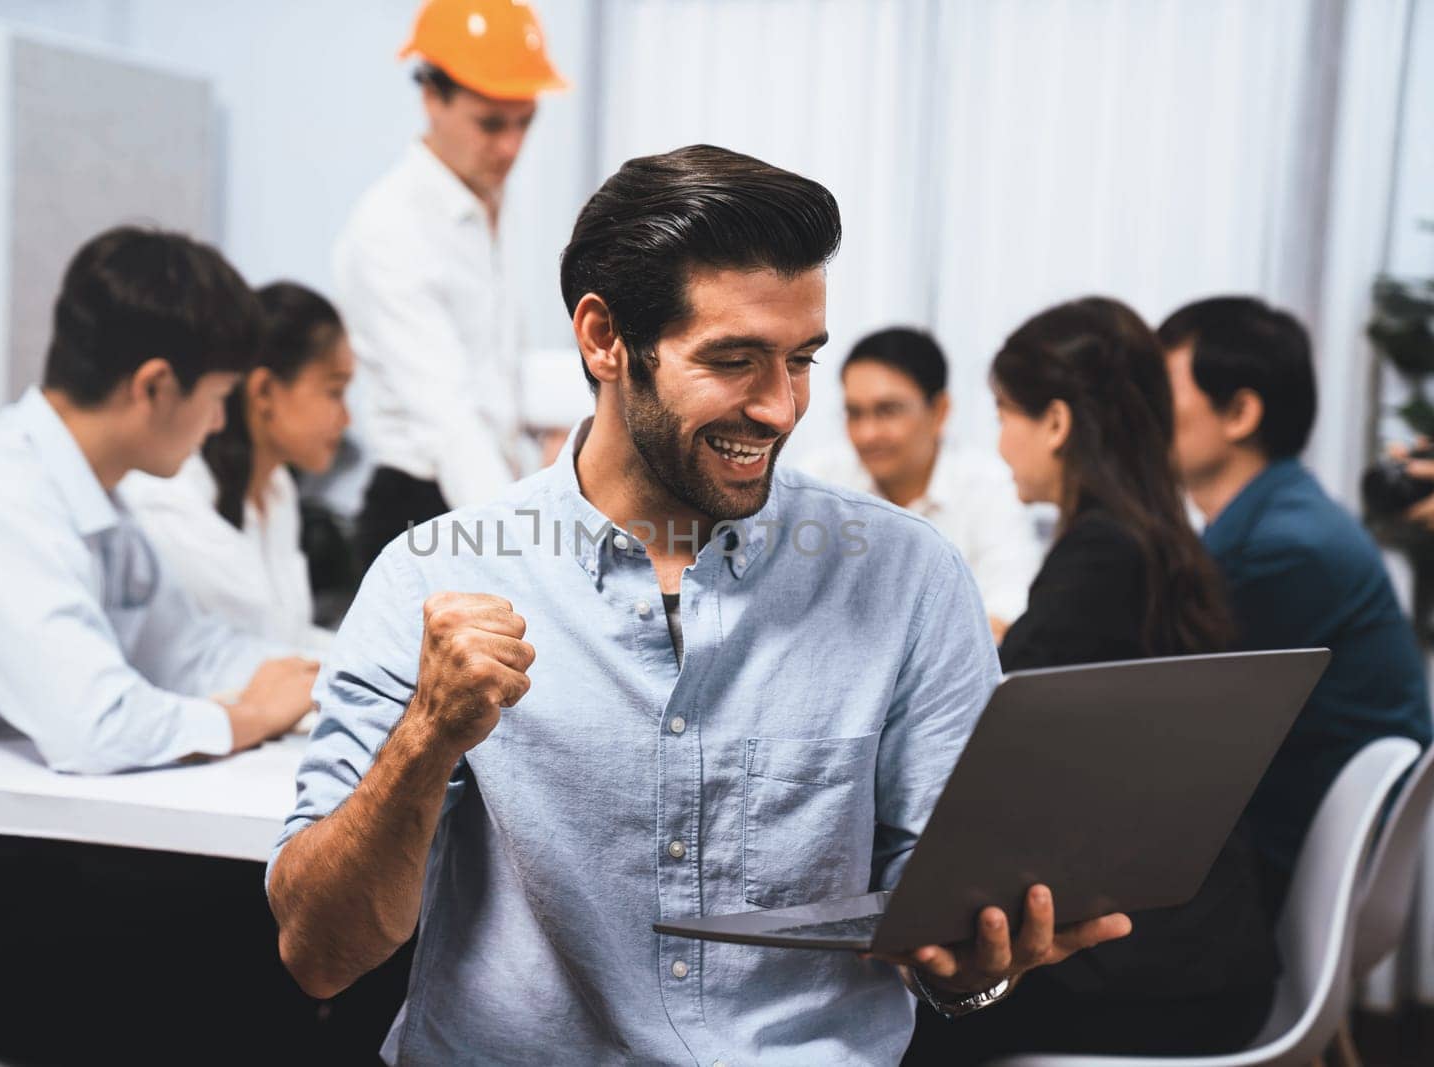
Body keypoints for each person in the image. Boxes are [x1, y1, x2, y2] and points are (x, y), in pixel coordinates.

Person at [267, 145, 1129, 1065]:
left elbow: (943, 940)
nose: (780, 407)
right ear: (603, 340)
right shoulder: (429, 576)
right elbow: (320, 954)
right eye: (734, 360)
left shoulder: (911, 581)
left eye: (800, 360)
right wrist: (425, 736)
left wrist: (977, 967)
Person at [0, 226, 318, 1048]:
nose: (214, 425)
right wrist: (248, 718)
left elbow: (193, 652)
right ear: (155, 385)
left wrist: (331, 676)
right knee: (245, 962)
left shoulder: (94, 501)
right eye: (216, 396)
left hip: (5, 861)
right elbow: (95, 726)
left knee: (271, 931)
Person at [903, 298, 1278, 1063]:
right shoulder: (1163, 541)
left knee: (893, 1018)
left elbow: (993, 732)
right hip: (1206, 946)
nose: (1000, 440)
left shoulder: (1102, 556)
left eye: (1006, 412)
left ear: (1058, 423)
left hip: (1146, 972)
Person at [1158, 296, 1432, 916]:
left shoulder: (1279, 549)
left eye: (1158, 391)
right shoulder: (1281, 518)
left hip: (1290, 876)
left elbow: (1167, 721)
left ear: (1239, 411)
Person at [333, 0, 568, 574]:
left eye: (524, 122)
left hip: (487, 491)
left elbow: (495, 371)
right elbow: (448, 418)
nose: (511, 147)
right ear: (432, 97)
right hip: (422, 509)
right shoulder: (391, 226)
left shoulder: (487, 199)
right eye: (491, 123)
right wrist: (526, 546)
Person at [123, 281, 352, 653]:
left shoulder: (278, 489)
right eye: (335, 391)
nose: (347, 419)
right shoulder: (172, 496)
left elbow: (287, 638)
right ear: (263, 391)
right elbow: (253, 655)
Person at [803, 327, 1041, 637]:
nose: (867, 433)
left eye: (888, 411)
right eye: (854, 413)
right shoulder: (818, 481)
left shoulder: (989, 487)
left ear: (939, 412)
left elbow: (1011, 609)